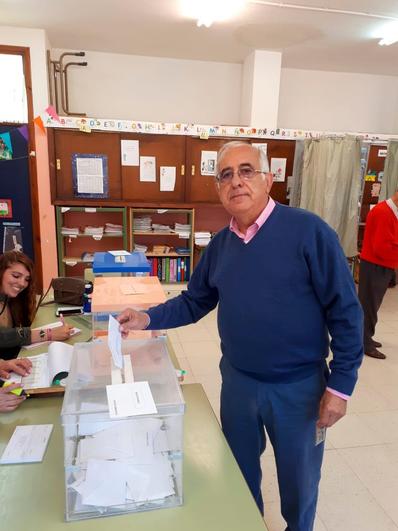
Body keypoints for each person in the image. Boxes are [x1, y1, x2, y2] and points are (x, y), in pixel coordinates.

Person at [117, 141, 363, 531]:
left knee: (299, 482)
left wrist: (341, 386)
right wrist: (146, 318)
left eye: (246, 170)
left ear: (268, 179)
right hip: (239, 383)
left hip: (299, 388)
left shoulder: (309, 232)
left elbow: (346, 312)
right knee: (238, 474)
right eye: (226, 174)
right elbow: (195, 301)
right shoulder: (220, 245)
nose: (236, 181)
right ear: (218, 188)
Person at [0, 251, 71, 360]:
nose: (22, 283)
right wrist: (49, 334)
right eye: (16, 276)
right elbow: (3, 337)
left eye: (27, 279)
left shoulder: (11, 299)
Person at [358, 190, 398, 359]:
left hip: (381, 265)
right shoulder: (383, 212)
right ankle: (364, 342)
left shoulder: (391, 212)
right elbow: (381, 248)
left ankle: (366, 337)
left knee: (371, 305)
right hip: (375, 265)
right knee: (369, 305)